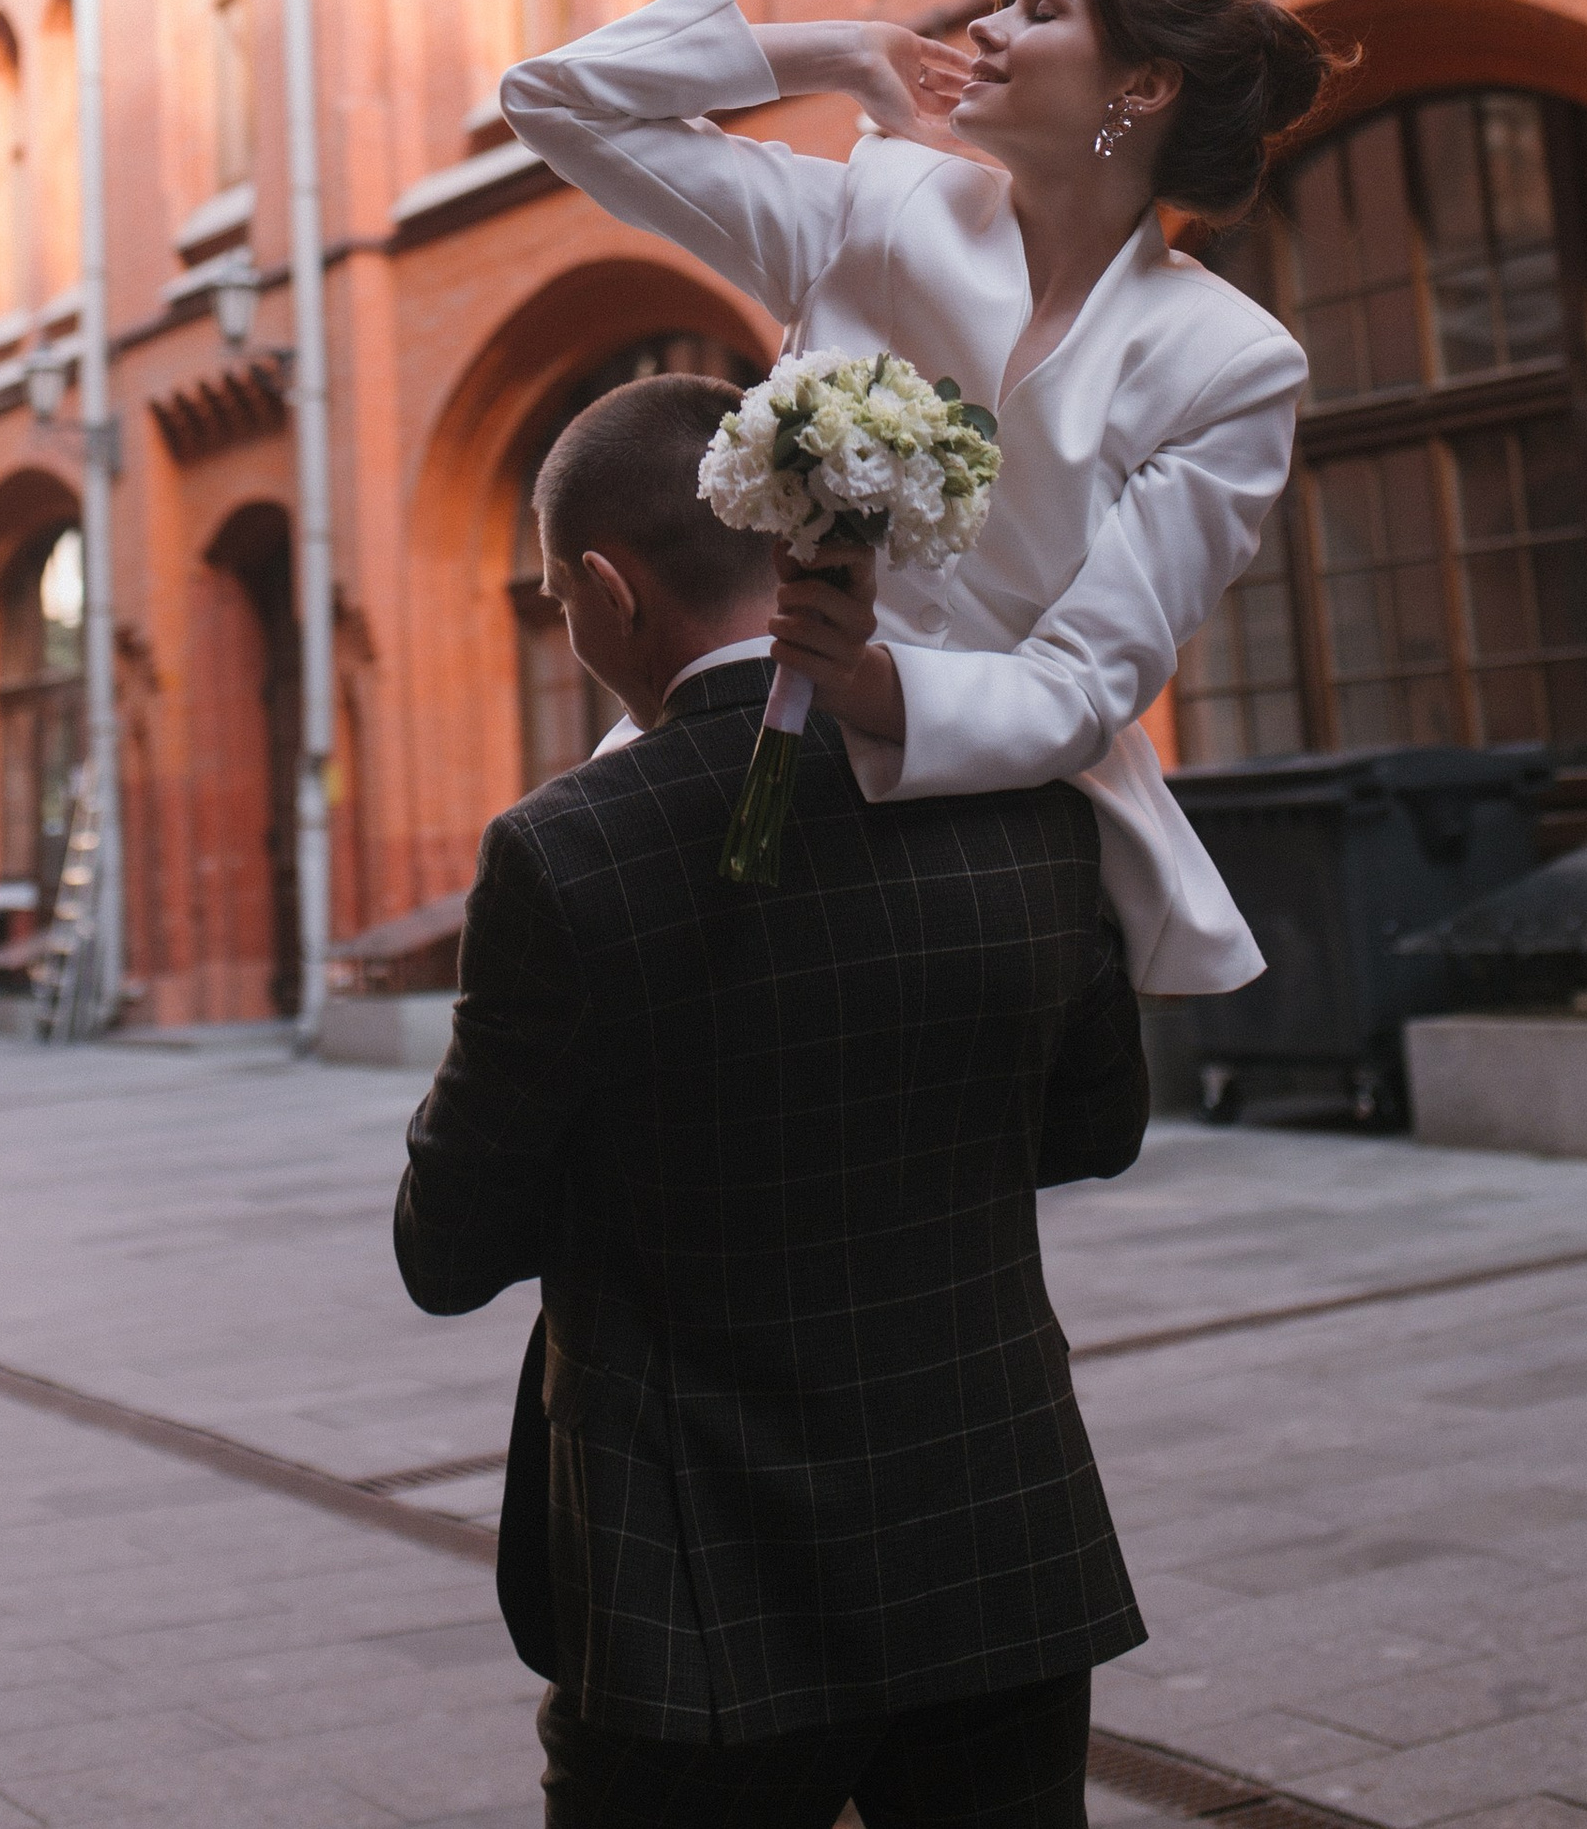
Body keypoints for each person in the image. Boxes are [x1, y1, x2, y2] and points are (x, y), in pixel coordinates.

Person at [398, 372, 1151, 1827]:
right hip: (992, 1530)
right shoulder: (1031, 798)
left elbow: (447, 1246)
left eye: (561, 593)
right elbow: (1094, 1126)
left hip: (698, 1577)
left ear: (609, 589)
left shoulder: (570, 851)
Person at [498, 0, 1334, 995]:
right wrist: (835, 49)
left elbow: (1081, 685)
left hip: (993, 827)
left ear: (1143, 86)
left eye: (1037, 11)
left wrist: (870, 682)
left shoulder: (1230, 362)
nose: (980, 30)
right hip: (742, 770)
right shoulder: (878, 209)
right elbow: (551, 101)